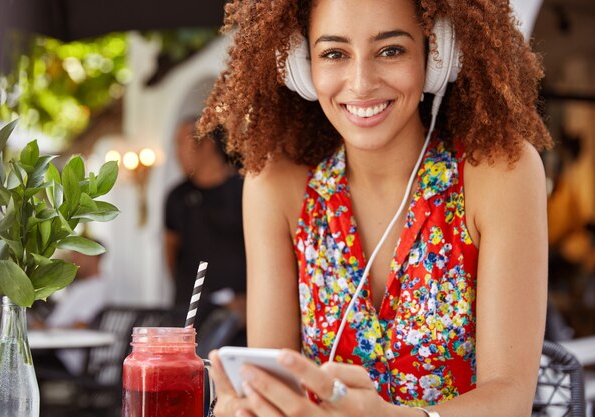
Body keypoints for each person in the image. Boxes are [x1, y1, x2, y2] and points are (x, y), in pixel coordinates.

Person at [198, 0, 553, 416]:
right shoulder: (276, 187)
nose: (361, 83)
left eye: (391, 50)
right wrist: (249, 405)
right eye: (333, 54)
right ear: (299, 66)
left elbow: (510, 397)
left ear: (437, 53)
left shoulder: (500, 172)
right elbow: (276, 385)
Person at [164, 117, 247, 333]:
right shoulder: (177, 197)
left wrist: (251, 298)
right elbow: (171, 251)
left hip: (242, 312)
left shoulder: (244, 190)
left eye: (181, 143)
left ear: (207, 143)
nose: (177, 153)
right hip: (192, 311)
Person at [35, 248, 109, 375]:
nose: (74, 260)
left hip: (67, 358)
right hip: (54, 349)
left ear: (95, 257)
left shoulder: (98, 289)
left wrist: (47, 328)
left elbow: (81, 326)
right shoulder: (82, 286)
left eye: (79, 255)